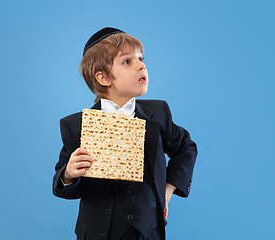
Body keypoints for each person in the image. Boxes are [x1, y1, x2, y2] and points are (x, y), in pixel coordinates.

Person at [52, 27, 198, 240]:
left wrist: (168, 190)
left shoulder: (158, 113)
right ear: (103, 78)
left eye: (141, 58)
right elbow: (64, 187)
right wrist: (69, 174)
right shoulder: (77, 125)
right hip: (96, 232)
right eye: (127, 61)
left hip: (146, 231)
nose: (142, 65)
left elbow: (186, 147)